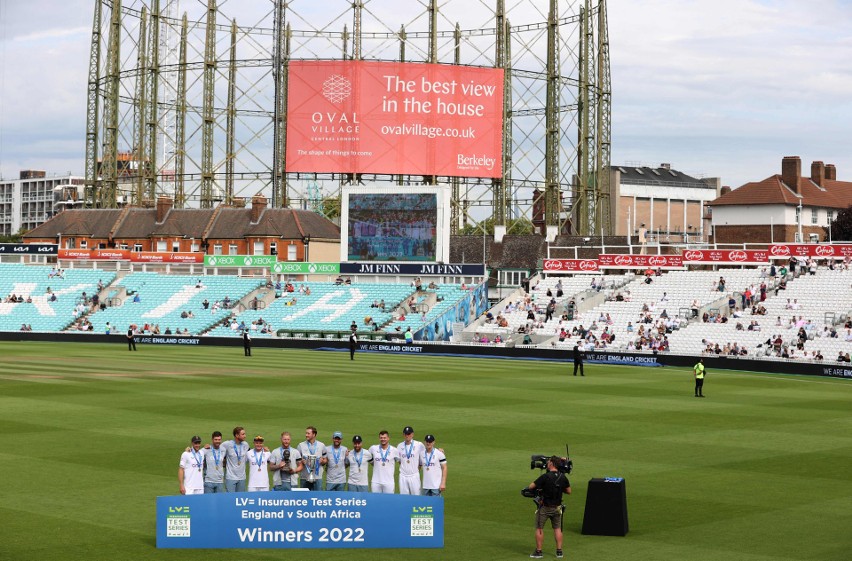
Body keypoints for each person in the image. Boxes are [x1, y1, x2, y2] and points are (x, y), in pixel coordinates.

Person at [527, 456, 571, 559]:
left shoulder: (545, 477)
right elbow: (569, 491)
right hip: (557, 508)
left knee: (539, 529)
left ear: (551, 464)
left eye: (549, 462)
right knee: (557, 529)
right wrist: (559, 488)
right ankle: (559, 552)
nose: (547, 463)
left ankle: (538, 552)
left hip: (545, 508)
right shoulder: (563, 477)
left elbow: (531, 487)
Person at [398, 426, 425, 495]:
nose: (407, 435)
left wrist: (439, 451)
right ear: (403, 435)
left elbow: (427, 453)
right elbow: (399, 461)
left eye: (409, 434)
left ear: (412, 434)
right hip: (403, 476)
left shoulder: (419, 445)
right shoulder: (399, 446)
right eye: (406, 434)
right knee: (404, 498)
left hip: (414, 475)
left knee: (416, 497)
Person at [221, 426, 250, 492]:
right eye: (243, 434)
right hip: (230, 477)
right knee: (230, 498)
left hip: (242, 477)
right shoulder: (227, 444)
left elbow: (251, 454)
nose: (245, 436)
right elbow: (217, 451)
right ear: (237, 435)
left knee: (240, 499)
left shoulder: (246, 445)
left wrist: (263, 450)